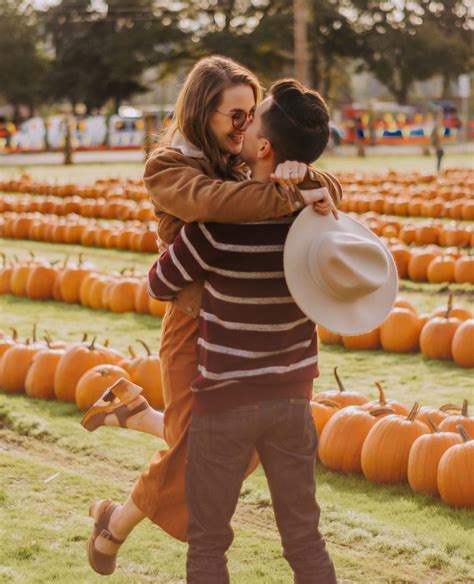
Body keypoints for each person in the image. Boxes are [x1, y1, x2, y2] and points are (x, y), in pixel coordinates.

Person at [83, 56, 342, 576]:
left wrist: (304, 173)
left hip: (247, 335)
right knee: (200, 446)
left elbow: (329, 193)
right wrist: (287, 187)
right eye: (235, 116)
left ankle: (126, 470)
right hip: (194, 321)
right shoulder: (169, 166)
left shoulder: (248, 154)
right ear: (204, 112)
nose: (245, 127)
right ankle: (114, 522)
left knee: (225, 447)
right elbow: (215, 203)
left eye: (252, 116)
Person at [147, 79, 337, 583]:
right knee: (304, 537)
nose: (244, 124)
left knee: (209, 542)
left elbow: (160, 283)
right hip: (294, 399)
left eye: (252, 117)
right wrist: (303, 187)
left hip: (225, 399)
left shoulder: (214, 225)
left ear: (263, 146)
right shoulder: (313, 221)